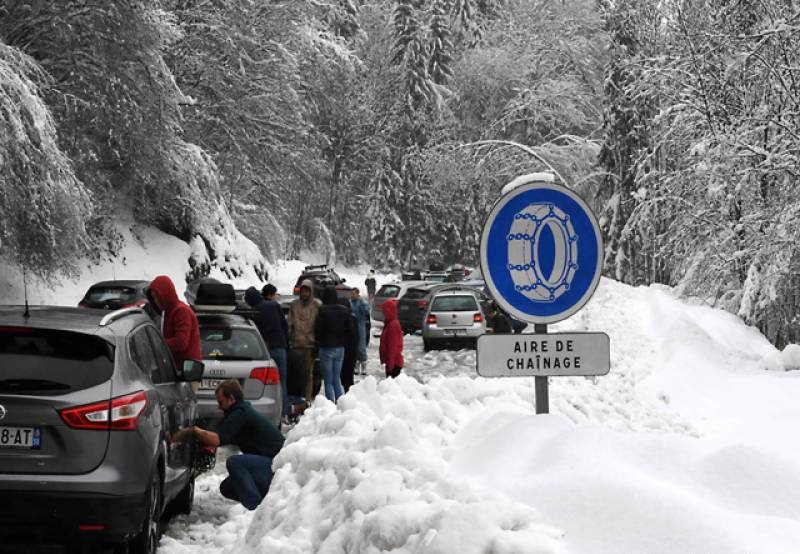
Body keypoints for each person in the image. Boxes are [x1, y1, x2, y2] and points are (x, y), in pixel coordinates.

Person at [171, 379, 284, 510]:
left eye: (221, 402)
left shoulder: (241, 413)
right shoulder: (237, 412)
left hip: (276, 465)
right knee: (227, 487)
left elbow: (217, 440)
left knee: (235, 462)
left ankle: (256, 509)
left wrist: (193, 431)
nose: (219, 406)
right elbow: (217, 434)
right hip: (268, 464)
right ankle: (266, 501)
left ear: (231, 399)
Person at [244, 285, 290, 422]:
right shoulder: (274, 305)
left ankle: (269, 410)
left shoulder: (253, 311)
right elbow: (284, 325)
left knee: (270, 383)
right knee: (282, 381)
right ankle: (284, 414)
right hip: (280, 347)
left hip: (265, 350)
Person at [147, 275, 201, 369]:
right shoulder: (168, 312)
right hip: (178, 368)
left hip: (187, 371)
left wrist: (157, 344)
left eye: (157, 297)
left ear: (165, 294)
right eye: (153, 298)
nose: (155, 301)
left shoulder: (181, 311)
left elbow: (181, 342)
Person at [314, 286, 352, 402]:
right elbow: (349, 329)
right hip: (340, 347)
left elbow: (318, 329)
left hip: (326, 348)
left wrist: (318, 341)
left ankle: (330, 404)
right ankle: (340, 402)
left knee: (328, 380)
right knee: (336, 379)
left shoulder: (322, 310)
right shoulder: (344, 310)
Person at [288, 279, 321, 403]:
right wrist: (289, 339)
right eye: (303, 290)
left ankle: (307, 399)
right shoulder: (294, 305)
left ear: (311, 291)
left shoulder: (316, 306)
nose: (305, 293)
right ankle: (297, 399)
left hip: (310, 345)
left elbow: (320, 325)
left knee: (309, 374)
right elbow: (289, 324)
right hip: (296, 345)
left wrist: (318, 343)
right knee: (296, 375)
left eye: (307, 291)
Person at [379, 299, 404, 378]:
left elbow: (393, 347)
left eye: (384, 311)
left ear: (388, 311)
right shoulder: (389, 323)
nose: (383, 313)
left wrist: (390, 365)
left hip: (394, 364)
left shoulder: (392, 325)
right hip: (391, 362)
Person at [339, 297, 359, 393]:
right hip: (350, 351)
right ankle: (348, 392)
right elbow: (356, 337)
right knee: (349, 375)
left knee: (343, 375)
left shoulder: (342, 318)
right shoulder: (353, 318)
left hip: (344, 350)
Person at [349, 288, 370, 375]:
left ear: (358, 294)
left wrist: (363, 305)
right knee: (354, 346)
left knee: (361, 346)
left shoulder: (362, 302)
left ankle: (364, 365)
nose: (352, 295)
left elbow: (366, 312)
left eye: (353, 294)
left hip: (360, 325)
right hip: (352, 325)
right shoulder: (350, 302)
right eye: (351, 294)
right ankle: (356, 365)